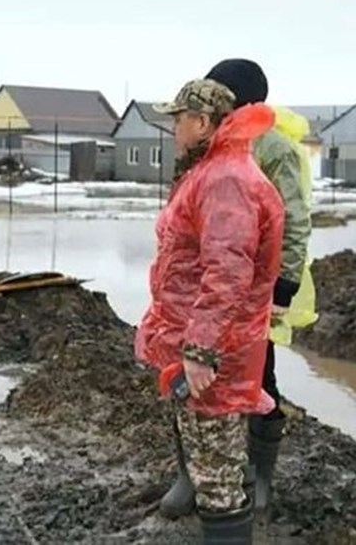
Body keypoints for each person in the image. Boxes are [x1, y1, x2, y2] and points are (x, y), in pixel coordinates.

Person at [159, 59, 316, 517]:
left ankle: (257, 476)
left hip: (253, 293)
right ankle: (192, 474)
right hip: (203, 294)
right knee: (187, 381)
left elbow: (294, 221)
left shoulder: (271, 150)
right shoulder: (208, 146)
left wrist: (282, 290)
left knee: (257, 379)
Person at [135, 78, 285, 544]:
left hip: (214, 355)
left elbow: (227, 272)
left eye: (178, 120)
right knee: (209, 463)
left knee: (218, 477)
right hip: (198, 340)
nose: (172, 130)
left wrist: (200, 350)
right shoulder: (214, 169)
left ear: (202, 123)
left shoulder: (226, 180)